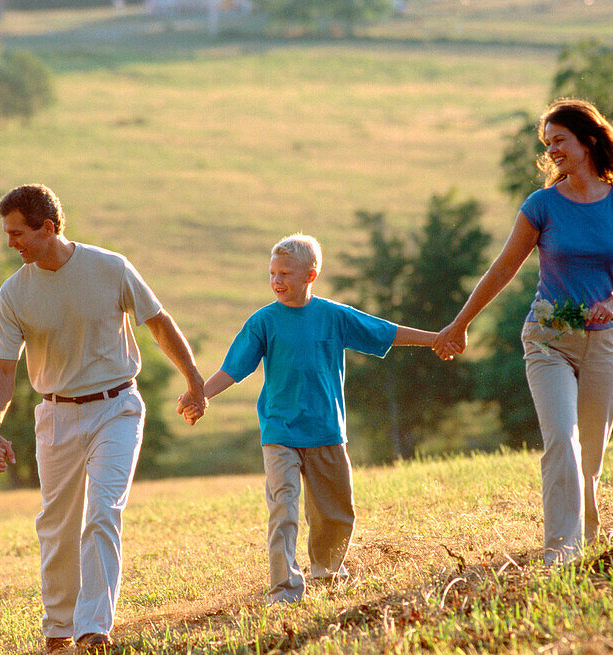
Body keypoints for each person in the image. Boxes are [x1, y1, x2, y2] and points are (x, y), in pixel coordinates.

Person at [0, 183, 206, 655]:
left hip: (116, 406)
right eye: (7, 234)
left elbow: (159, 323)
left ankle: (93, 628)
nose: (10, 243)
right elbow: (4, 367)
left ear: (48, 227)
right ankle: (59, 626)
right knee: (57, 524)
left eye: (18, 233)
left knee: (103, 510)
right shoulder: (14, 292)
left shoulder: (110, 267)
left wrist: (193, 379)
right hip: (57, 415)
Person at [432, 98, 613, 565]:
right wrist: (460, 323)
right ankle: (561, 550)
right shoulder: (542, 205)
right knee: (561, 439)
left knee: (591, 448)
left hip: (603, 339)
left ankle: (589, 530)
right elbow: (503, 269)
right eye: (546, 143)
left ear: (588, 140)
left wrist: (612, 303)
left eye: (559, 140)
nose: (551, 150)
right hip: (547, 337)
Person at [178, 234, 437, 604]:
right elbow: (233, 368)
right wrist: (199, 394)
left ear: (310, 275)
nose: (276, 281)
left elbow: (386, 332)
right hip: (280, 431)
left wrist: (437, 339)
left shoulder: (333, 316)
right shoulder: (263, 321)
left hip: (326, 430)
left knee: (335, 511)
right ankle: (284, 588)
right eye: (272, 273)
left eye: (285, 273)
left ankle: (328, 572)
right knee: (283, 508)